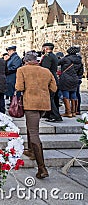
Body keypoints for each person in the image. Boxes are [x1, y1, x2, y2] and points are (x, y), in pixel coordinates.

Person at [15, 51, 57, 179]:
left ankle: (42, 167)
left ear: (26, 60)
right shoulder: (46, 71)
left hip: (30, 104)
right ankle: (31, 151)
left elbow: (19, 87)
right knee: (31, 127)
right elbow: (54, 88)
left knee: (34, 133)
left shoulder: (22, 70)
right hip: (43, 104)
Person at [58, 46, 84, 117]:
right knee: (73, 94)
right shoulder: (79, 60)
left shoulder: (66, 59)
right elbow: (81, 71)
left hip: (65, 78)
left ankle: (68, 112)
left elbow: (57, 63)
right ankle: (74, 112)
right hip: (75, 78)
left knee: (66, 94)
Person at [40, 43, 62, 122]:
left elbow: (45, 69)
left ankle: (55, 116)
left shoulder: (47, 57)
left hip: (49, 79)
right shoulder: (54, 56)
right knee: (54, 98)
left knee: (49, 98)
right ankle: (49, 113)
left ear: (45, 48)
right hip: (54, 78)